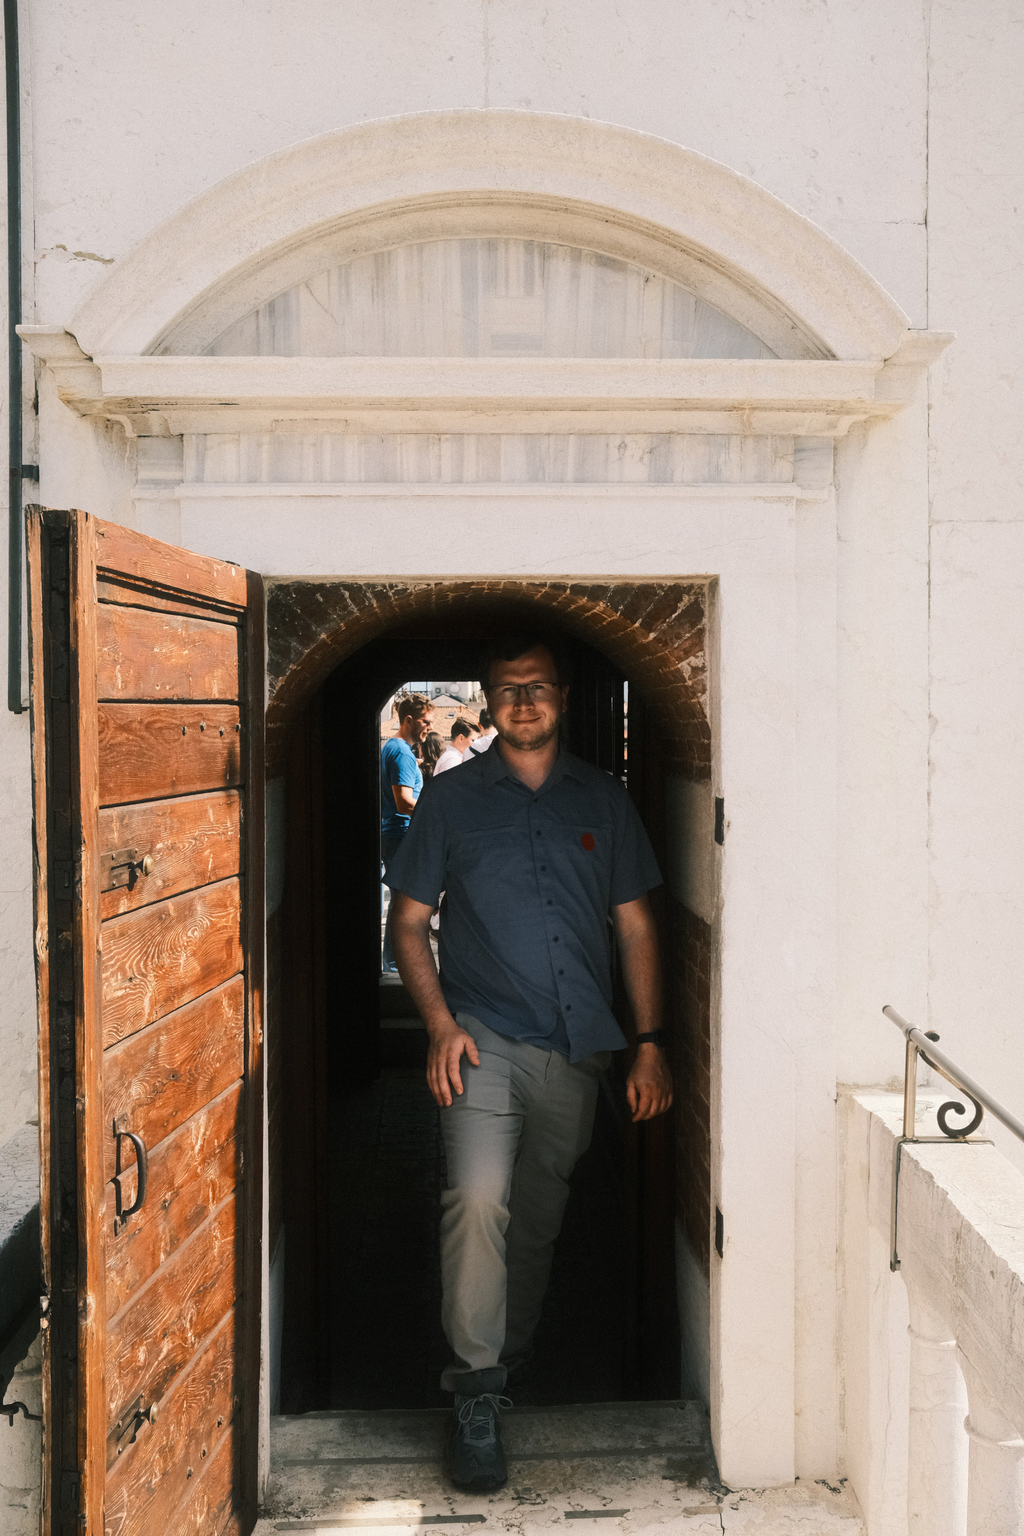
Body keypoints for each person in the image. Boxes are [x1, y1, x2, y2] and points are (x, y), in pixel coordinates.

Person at [388, 634, 673, 1493]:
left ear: (560, 695)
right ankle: (473, 1392)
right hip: (481, 1037)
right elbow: (406, 925)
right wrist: (439, 1026)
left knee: (539, 1218)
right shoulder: (448, 800)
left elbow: (636, 928)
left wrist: (651, 1042)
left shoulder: (605, 800)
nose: (522, 702)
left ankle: (507, 1366)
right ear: (488, 699)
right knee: (478, 1198)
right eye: (507, 689)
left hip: (578, 1048)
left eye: (537, 687)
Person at [380, 692, 434, 972]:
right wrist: (434, 813)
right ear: (408, 720)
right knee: (405, 904)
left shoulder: (392, 748)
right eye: (425, 721)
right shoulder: (401, 752)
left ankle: (392, 962)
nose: (430, 726)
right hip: (400, 835)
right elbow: (403, 801)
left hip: (394, 835)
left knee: (402, 902)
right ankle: (393, 963)